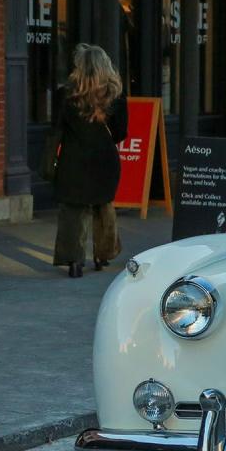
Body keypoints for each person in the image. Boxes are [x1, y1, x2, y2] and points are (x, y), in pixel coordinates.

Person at [51, 43, 128, 278]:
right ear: (105, 66)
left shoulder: (65, 95)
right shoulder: (116, 96)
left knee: (73, 210)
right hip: (104, 159)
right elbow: (120, 132)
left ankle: (74, 261)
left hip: (73, 159)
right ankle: (102, 255)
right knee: (103, 206)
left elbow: (57, 130)